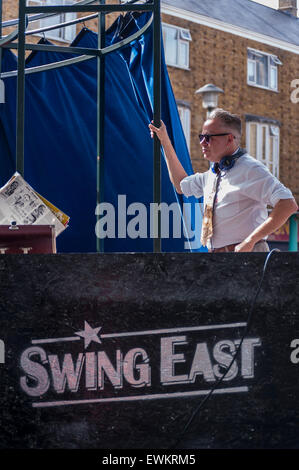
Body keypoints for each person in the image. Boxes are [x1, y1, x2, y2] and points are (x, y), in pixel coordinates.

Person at [149, 108, 298, 252]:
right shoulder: (213, 174)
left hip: (247, 257)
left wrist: (249, 241)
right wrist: (165, 141)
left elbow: (288, 204)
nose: (202, 143)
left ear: (229, 139)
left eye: (208, 138)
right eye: (201, 137)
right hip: (219, 259)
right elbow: (181, 185)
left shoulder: (250, 169)